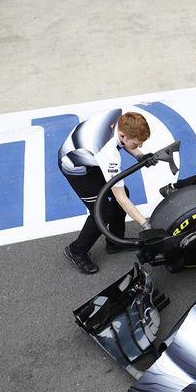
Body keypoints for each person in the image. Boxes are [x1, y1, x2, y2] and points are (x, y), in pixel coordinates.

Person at [59, 111, 154, 274]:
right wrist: (145, 225)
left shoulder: (119, 119)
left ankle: (115, 242)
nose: (139, 147)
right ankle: (76, 251)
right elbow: (120, 197)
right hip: (76, 167)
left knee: (123, 192)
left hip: (89, 155)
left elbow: (125, 143)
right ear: (122, 135)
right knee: (102, 213)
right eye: (137, 144)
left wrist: (140, 156)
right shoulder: (108, 153)